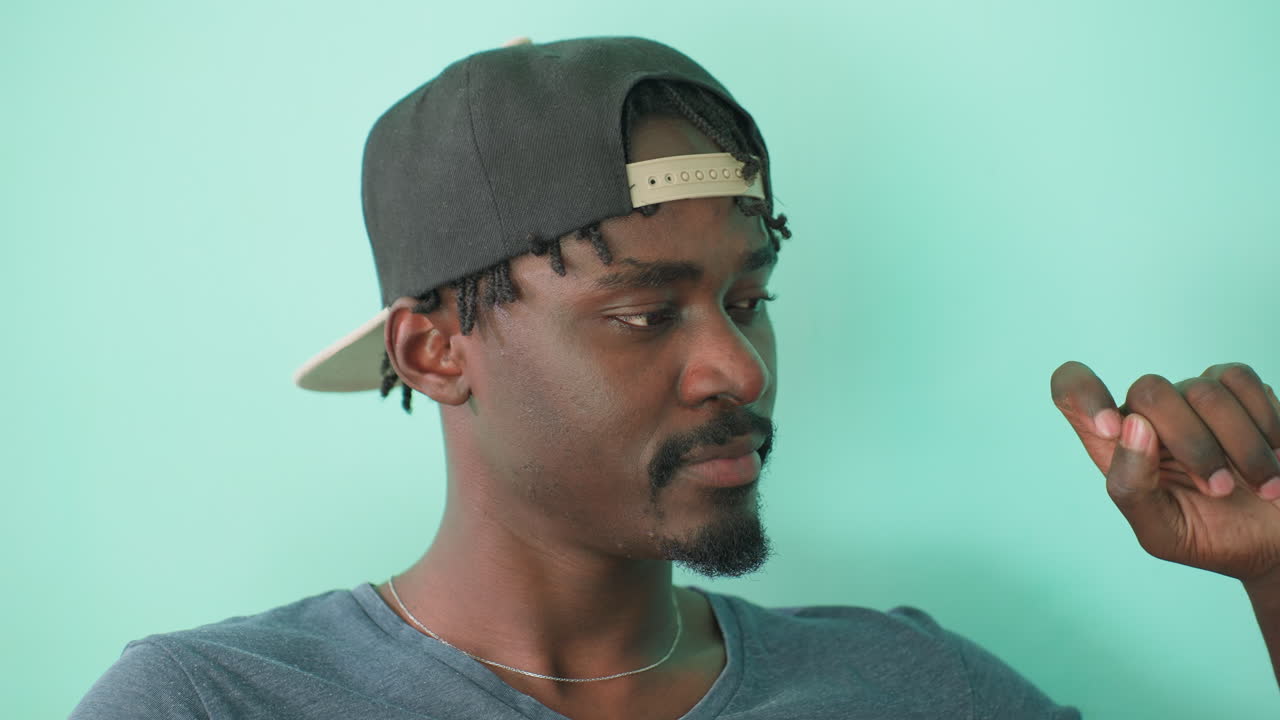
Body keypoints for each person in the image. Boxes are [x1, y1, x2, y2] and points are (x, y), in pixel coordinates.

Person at [70, 35, 1280, 720]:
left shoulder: (912, 685)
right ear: (435, 352)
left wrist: (1273, 573)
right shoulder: (213, 705)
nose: (735, 365)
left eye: (748, 299)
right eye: (643, 312)